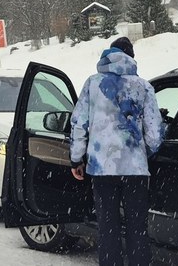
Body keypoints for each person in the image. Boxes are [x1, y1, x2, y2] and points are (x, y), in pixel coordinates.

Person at [69, 38, 164, 266]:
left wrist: (76, 160)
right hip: (136, 170)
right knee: (137, 228)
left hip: (102, 168)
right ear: (131, 57)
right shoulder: (143, 86)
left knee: (108, 228)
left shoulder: (92, 84)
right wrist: (143, 154)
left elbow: (78, 124)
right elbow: (154, 132)